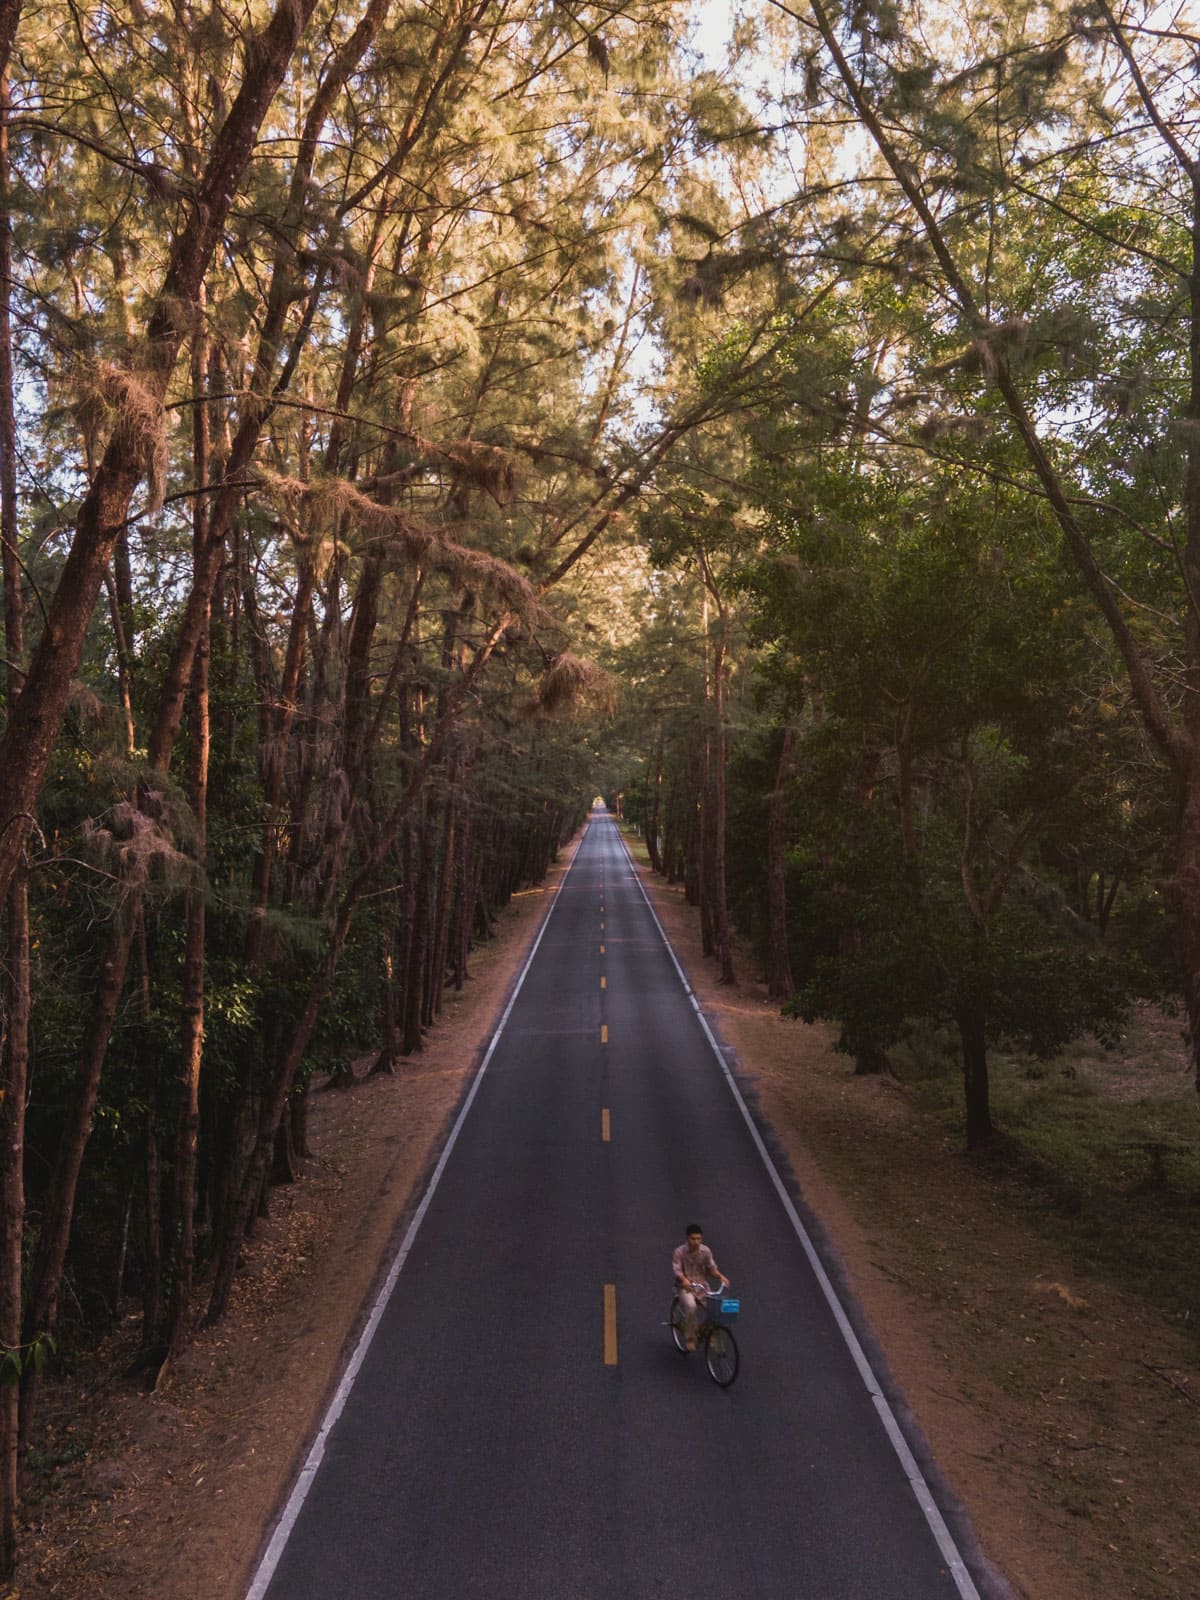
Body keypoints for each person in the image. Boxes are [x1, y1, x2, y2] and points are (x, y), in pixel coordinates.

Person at [672, 1223, 729, 1352]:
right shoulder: (679, 1252)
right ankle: (690, 1338)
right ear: (687, 1239)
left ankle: (703, 1331)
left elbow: (711, 1268)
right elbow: (677, 1270)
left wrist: (721, 1277)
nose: (696, 1242)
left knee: (716, 1310)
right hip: (685, 1287)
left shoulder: (706, 1251)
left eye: (699, 1239)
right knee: (691, 1306)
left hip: (702, 1286)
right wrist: (684, 1280)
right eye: (693, 1239)